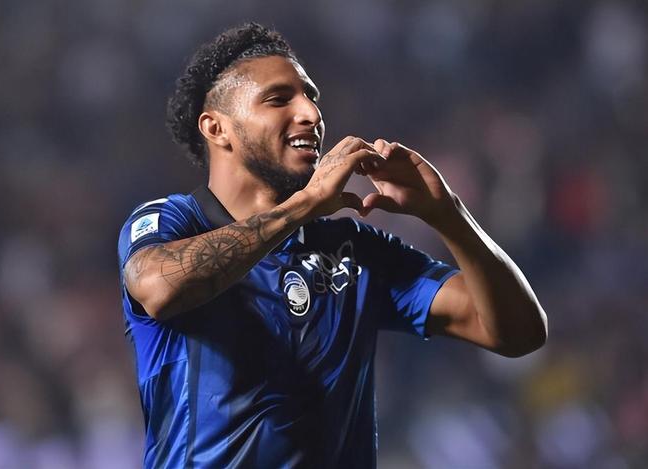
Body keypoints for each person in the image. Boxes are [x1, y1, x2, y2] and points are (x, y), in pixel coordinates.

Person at [117, 22, 548, 469]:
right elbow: (158, 287)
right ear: (217, 128)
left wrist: (449, 215)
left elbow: (518, 333)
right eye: (279, 99)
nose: (310, 112)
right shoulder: (173, 222)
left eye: (311, 97)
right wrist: (304, 205)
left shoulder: (354, 251)